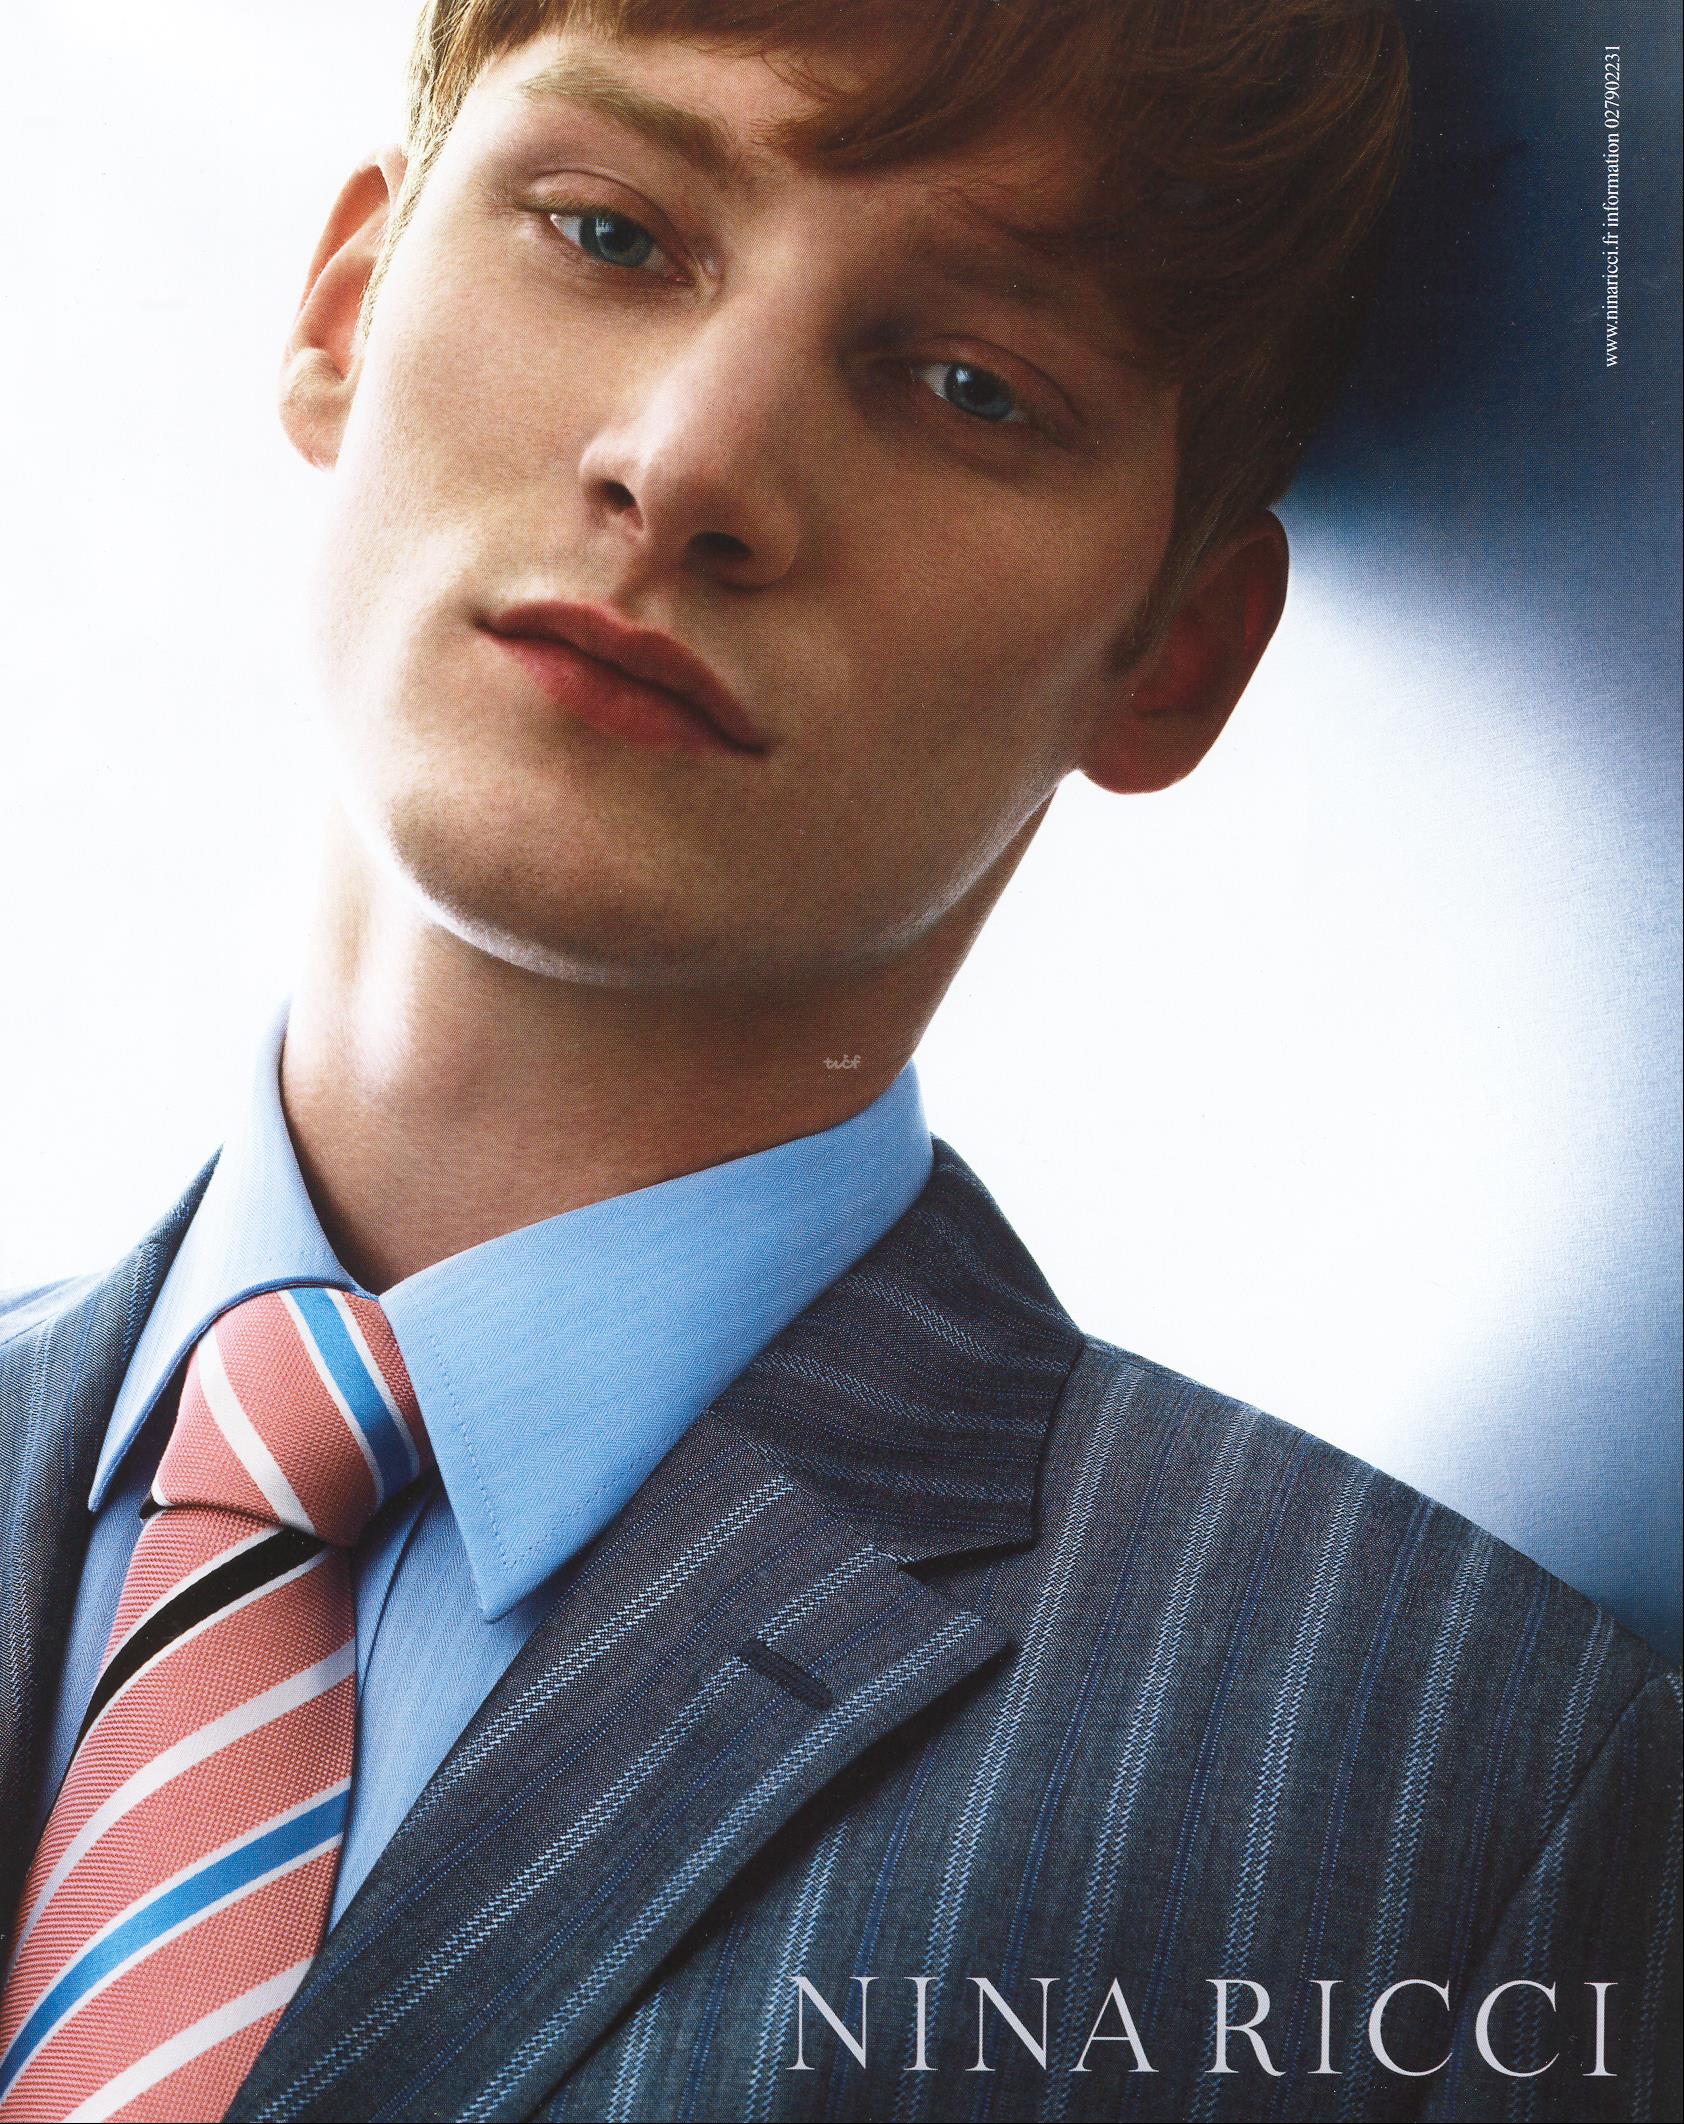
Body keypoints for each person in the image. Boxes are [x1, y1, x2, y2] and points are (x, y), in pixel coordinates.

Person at [0, 1, 1676, 2118]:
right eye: (609, 234)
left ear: (1172, 651)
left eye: (970, 382)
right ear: (344, 301)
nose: (691, 459)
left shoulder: (1458, 1797)